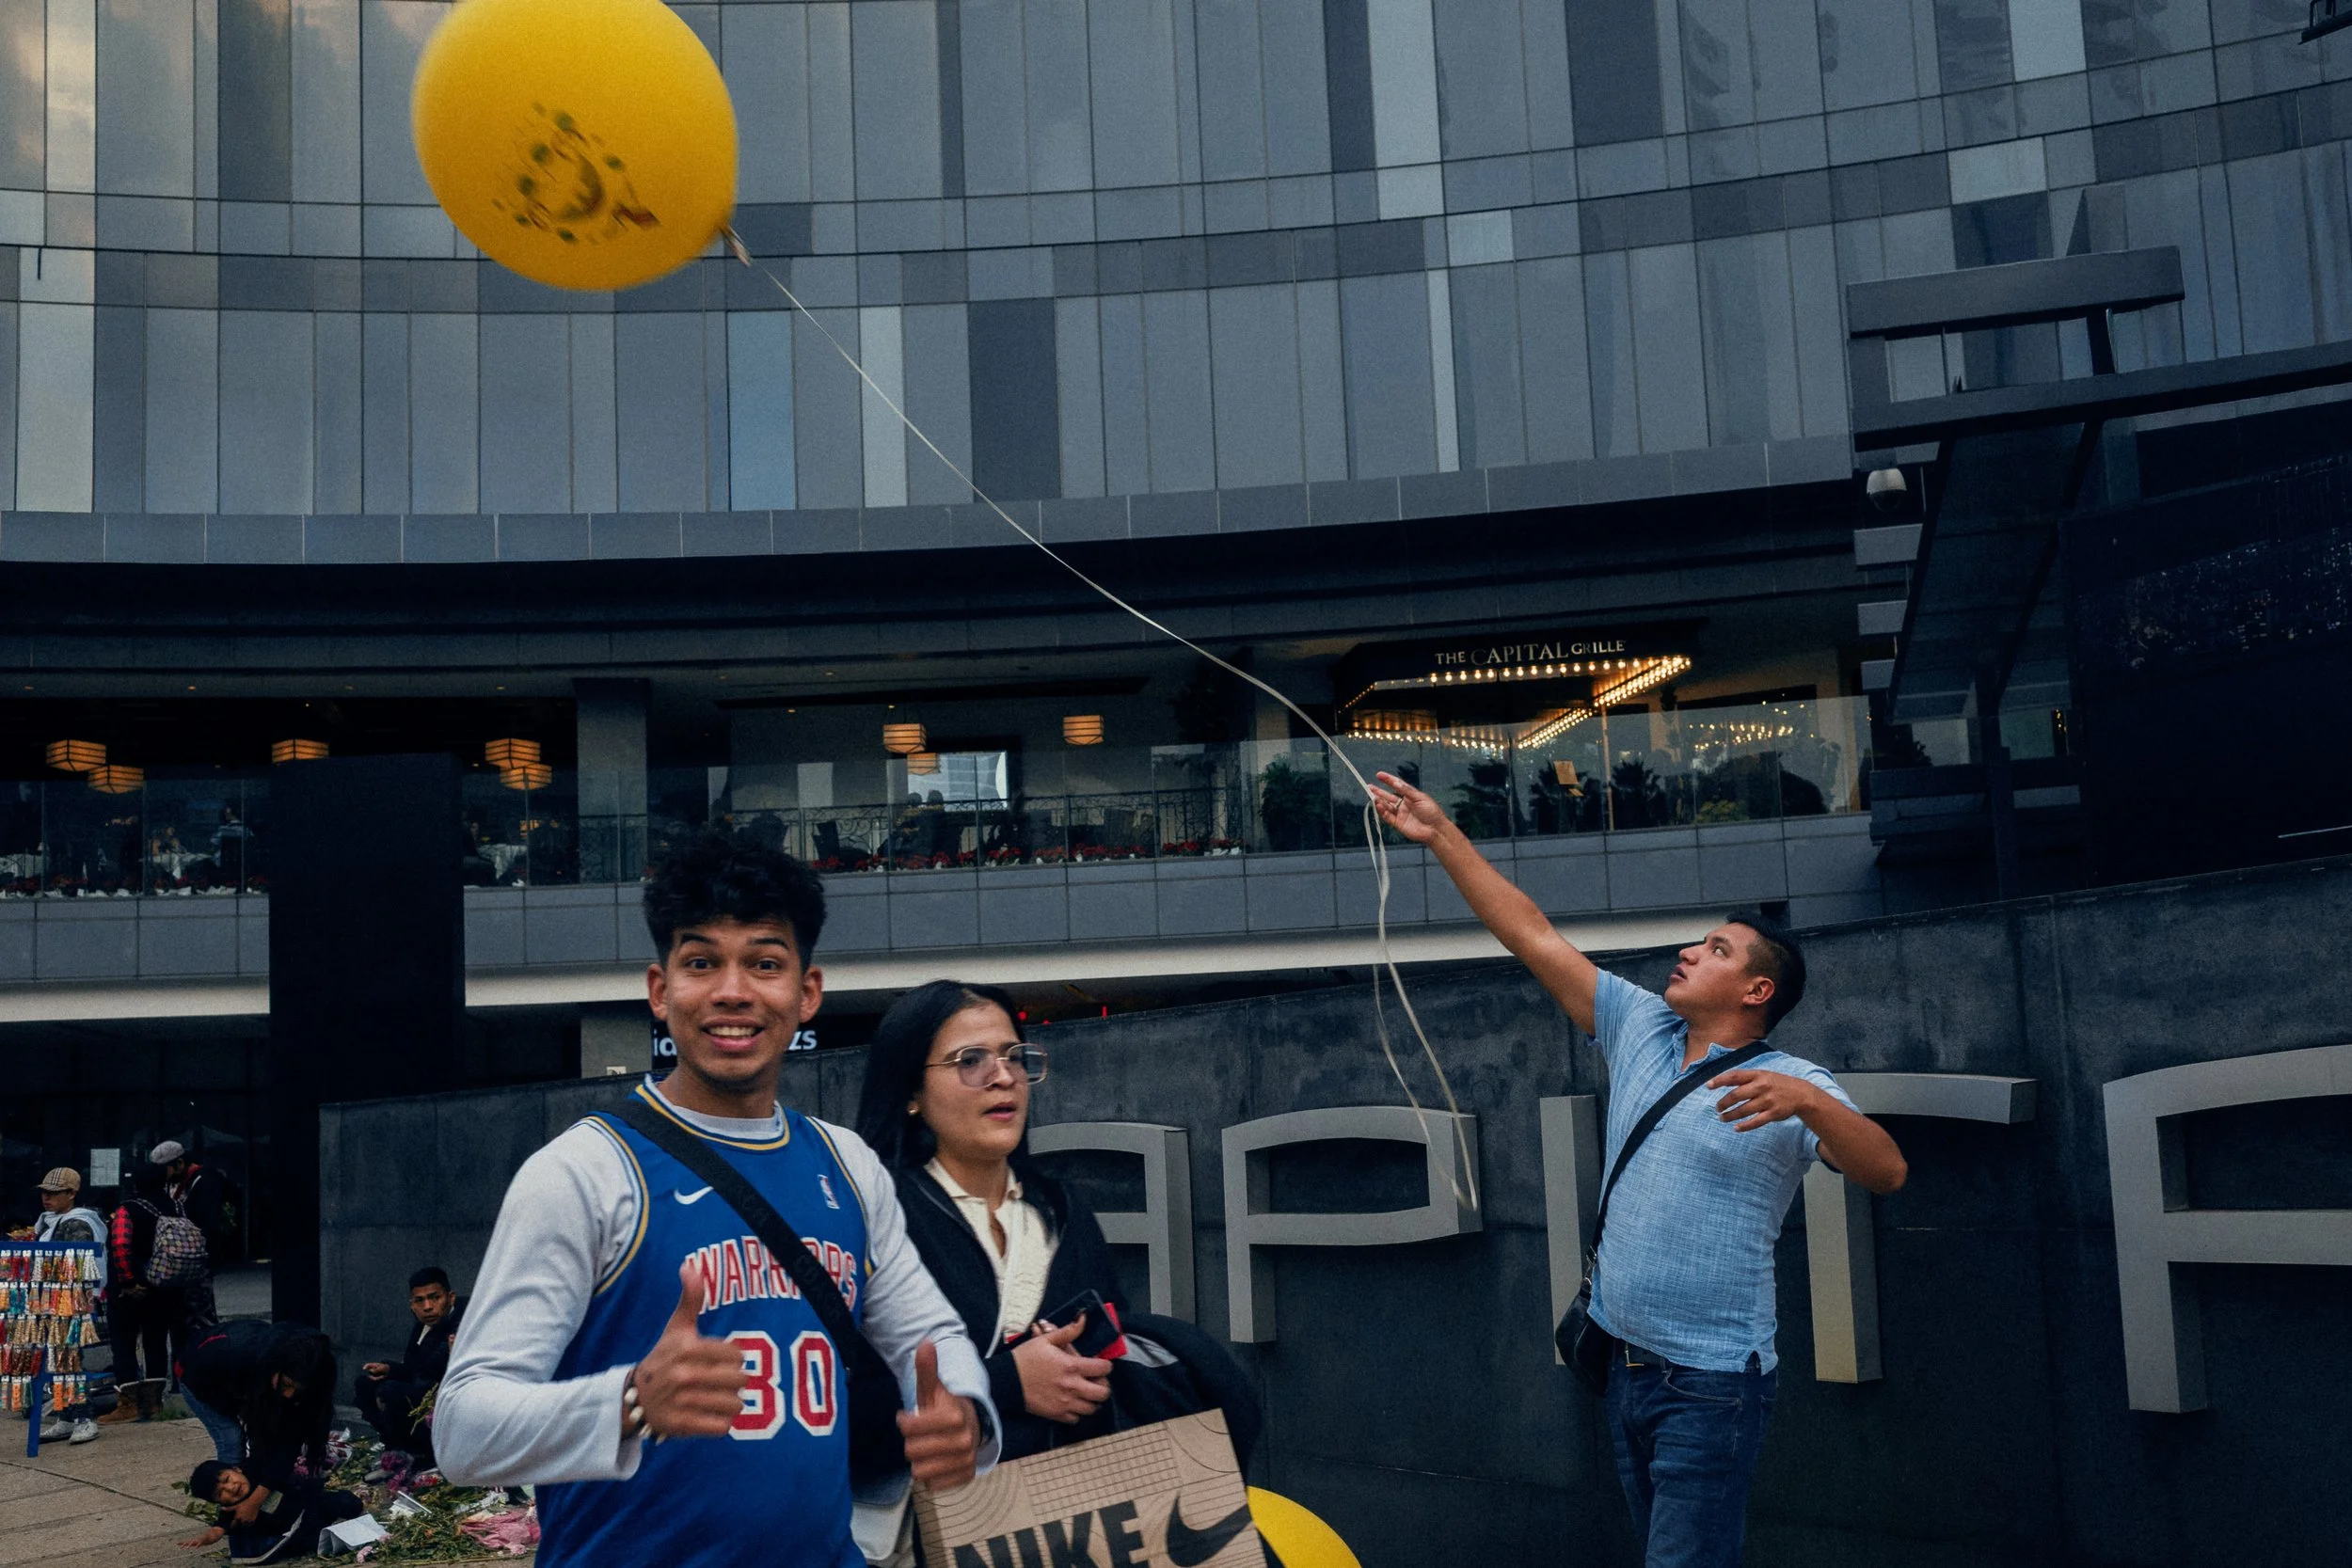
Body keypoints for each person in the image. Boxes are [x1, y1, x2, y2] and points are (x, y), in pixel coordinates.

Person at [1369, 771, 1907, 1568]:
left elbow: (1887, 1170)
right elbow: (1534, 935)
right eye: (1701, 940)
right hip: (1621, 1361)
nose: (1691, 950)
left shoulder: (1797, 1080)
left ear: (1757, 989)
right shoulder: (1643, 1027)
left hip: (1712, 1384)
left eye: (1717, 949)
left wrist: (1810, 1103)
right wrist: (1441, 834)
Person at [435, 827, 999, 1568]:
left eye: (764, 961)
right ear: (661, 990)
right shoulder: (582, 1171)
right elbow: (462, 1429)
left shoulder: (848, 1164)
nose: (733, 990)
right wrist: (631, 1400)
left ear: (807, 993)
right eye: (702, 961)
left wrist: (964, 1410)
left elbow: (931, 1334)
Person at [852, 982, 1123, 1463]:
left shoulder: (1062, 1209)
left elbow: (1118, 1351)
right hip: (933, 1520)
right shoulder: (877, 1212)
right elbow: (841, 1407)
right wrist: (1006, 1382)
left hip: (1077, 1512)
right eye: (970, 1060)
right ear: (911, 1091)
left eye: (1013, 1056)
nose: (1003, 1077)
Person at [176, 1320, 339, 1486]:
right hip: (196, 1377)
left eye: (297, 1389)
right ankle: (230, 1498)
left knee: (272, 1431)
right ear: (275, 1368)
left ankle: (253, 1485)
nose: (289, 1395)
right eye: (286, 1385)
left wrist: (267, 1481)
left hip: (236, 1375)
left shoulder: (306, 1361)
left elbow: (290, 1433)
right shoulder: (240, 1357)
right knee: (231, 1437)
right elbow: (260, 1426)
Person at [98, 1164, 186, 1425]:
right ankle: (154, 1403)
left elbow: (120, 1247)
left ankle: (129, 1405)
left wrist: (127, 1282)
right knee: (156, 1343)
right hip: (164, 1287)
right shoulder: (176, 1207)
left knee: (124, 1343)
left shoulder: (128, 1209)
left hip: (131, 1290)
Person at [29, 1167, 107, 1445]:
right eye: (44, 1193)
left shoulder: (77, 1223)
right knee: (57, 1361)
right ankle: (64, 1416)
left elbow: (78, 1264)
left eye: (53, 1193)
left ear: (71, 1194)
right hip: (53, 1299)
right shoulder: (50, 1222)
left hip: (69, 1300)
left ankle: (84, 1418)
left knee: (68, 1360)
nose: (46, 1198)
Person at [356, 1266, 462, 1463]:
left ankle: (418, 1452)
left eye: (435, 1298)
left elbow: (432, 1372)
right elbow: (417, 1368)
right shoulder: (424, 1324)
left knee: (390, 1391)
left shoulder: (463, 1324)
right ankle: (395, 1448)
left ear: (451, 1298)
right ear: (411, 1304)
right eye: (419, 1301)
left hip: (448, 1398)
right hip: (422, 1387)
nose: (427, 1306)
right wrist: (389, 1369)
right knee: (365, 1383)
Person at [177, 1457, 366, 1565]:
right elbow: (219, 1528)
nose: (231, 1488)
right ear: (218, 1502)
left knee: (347, 1502)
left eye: (228, 1479)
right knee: (317, 1543)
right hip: (295, 1531)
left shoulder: (256, 1471)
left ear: (237, 1469)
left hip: (311, 1505)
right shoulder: (232, 1511)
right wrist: (205, 1539)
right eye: (221, 1493)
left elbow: (278, 1466)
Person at [151, 1140, 234, 1331]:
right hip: (179, 1261)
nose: (165, 1176)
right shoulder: (175, 1184)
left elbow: (207, 1224)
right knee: (181, 1318)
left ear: (180, 1164)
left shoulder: (204, 1181)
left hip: (197, 1259)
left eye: (167, 1169)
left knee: (200, 1315)